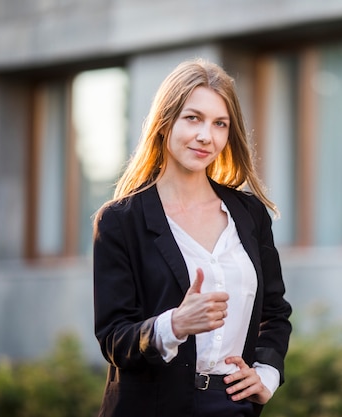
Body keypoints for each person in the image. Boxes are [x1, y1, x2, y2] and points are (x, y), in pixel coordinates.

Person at [92, 58, 292, 417]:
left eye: (220, 124)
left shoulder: (249, 215)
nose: (206, 136)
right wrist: (175, 324)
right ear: (165, 122)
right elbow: (114, 337)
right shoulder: (120, 221)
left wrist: (266, 374)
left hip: (233, 407)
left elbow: (275, 314)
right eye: (193, 118)